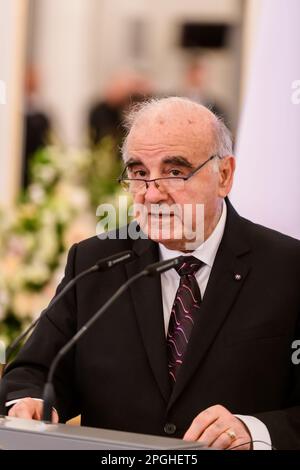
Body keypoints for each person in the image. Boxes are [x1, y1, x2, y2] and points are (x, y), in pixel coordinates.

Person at [3, 97, 300, 450]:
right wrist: (32, 403)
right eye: (140, 173)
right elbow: (33, 372)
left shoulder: (287, 268)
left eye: (175, 172)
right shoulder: (94, 262)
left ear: (224, 175)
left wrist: (256, 430)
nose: (152, 194)